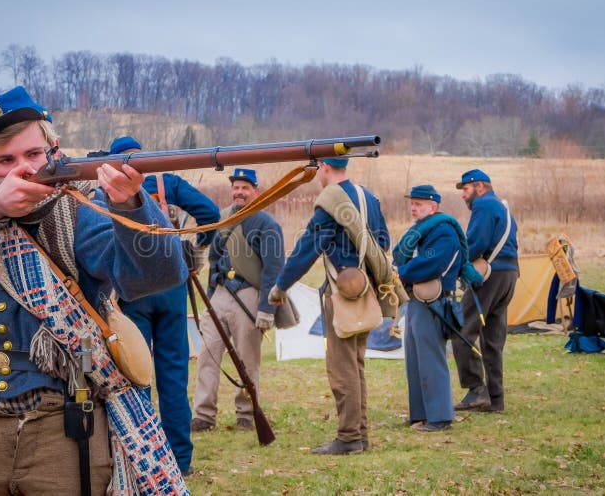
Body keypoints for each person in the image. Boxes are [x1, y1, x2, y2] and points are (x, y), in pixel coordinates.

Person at [0, 86, 189, 494]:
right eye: (6, 160)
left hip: (63, 431)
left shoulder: (79, 214)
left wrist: (131, 203)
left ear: (55, 151)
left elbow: (157, 276)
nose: (22, 169)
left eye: (33, 155)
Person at [106, 135, 220, 475]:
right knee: (173, 377)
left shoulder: (109, 187)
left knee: (135, 376)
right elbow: (210, 213)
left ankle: (140, 458)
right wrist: (195, 250)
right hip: (171, 286)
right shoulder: (167, 182)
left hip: (133, 289)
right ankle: (180, 462)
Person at [268, 158, 390, 455]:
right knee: (356, 365)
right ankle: (358, 435)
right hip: (366, 291)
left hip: (341, 293)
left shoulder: (331, 200)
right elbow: (383, 241)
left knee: (342, 368)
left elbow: (307, 248)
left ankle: (349, 437)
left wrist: (280, 286)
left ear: (323, 166)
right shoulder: (368, 198)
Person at [190, 168, 284, 433]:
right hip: (220, 292)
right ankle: (204, 415)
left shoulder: (267, 225)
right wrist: (210, 294)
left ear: (256, 191)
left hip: (248, 294)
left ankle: (246, 413)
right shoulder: (223, 219)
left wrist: (266, 308)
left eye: (245, 187)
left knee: (247, 359)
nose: (239, 192)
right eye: (236, 187)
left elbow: (273, 269)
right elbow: (213, 257)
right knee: (208, 355)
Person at [392, 185, 466, 432]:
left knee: (432, 360)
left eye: (419, 204)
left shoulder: (443, 231)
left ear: (433, 207)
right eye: (412, 203)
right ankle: (420, 415)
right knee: (415, 359)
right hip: (416, 300)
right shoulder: (422, 230)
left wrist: (400, 272)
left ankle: (440, 417)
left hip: (432, 301)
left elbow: (432, 263)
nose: (414, 207)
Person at [452, 169, 519, 413]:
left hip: (489, 276)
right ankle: (495, 399)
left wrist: (456, 266)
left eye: (466, 189)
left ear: (480, 187)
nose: (463, 196)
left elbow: (475, 243)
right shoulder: (502, 208)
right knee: (493, 338)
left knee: (462, 331)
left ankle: (475, 390)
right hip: (509, 274)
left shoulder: (483, 206)